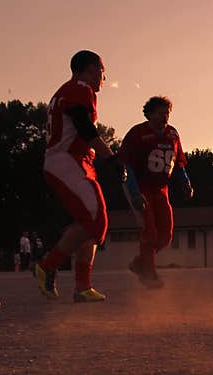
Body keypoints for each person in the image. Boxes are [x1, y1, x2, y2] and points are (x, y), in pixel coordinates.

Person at [34, 50, 131, 303]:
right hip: (67, 161)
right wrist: (111, 157)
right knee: (95, 218)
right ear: (90, 69)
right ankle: (47, 265)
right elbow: (84, 127)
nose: (104, 77)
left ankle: (83, 286)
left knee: (92, 223)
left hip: (74, 161)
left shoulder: (69, 90)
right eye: (102, 70)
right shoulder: (79, 88)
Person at [119, 96, 192, 289]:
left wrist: (185, 182)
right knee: (150, 232)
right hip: (140, 186)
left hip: (161, 189)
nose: (165, 117)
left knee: (166, 236)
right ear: (149, 113)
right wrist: (134, 192)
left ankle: (140, 263)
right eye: (160, 113)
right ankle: (149, 274)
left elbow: (178, 164)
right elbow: (127, 166)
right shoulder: (137, 133)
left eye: (167, 113)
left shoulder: (173, 134)